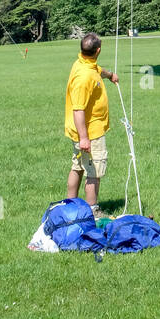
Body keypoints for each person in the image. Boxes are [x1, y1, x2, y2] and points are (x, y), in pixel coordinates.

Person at [64, 32, 119, 219]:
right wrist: (84, 138)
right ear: (98, 50)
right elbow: (78, 110)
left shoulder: (83, 63)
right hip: (89, 132)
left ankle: (69, 206)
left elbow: (97, 69)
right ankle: (93, 211)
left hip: (83, 131)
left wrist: (110, 75)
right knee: (93, 171)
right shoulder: (84, 77)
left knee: (78, 166)